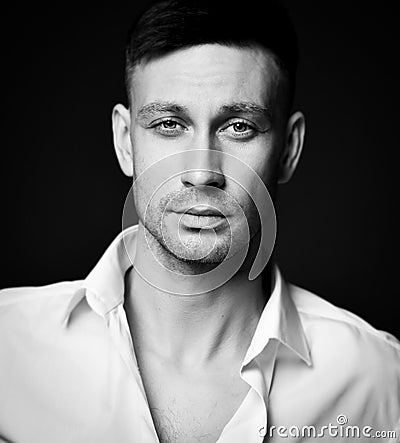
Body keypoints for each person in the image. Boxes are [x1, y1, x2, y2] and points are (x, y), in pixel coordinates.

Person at [0, 0, 399, 442]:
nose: (201, 171)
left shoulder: (378, 381)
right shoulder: (8, 349)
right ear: (125, 142)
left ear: (288, 149)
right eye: (170, 124)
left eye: (239, 127)